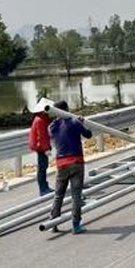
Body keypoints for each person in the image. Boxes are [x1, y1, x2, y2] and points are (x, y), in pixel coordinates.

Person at [47, 100, 93, 234]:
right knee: (76, 195)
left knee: (58, 195)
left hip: (61, 164)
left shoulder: (52, 127)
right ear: (66, 109)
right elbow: (88, 134)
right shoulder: (74, 122)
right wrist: (81, 122)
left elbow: (55, 131)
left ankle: (53, 223)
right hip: (76, 162)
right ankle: (76, 225)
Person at [28, 97, 55, 195]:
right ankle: (43, 188)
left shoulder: (40, 118)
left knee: (43, 166)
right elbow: (42, 137)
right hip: (40, 147)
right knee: (42, 167)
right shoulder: (40, 120)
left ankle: (44, 187)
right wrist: (46, 149)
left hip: (40, 146)